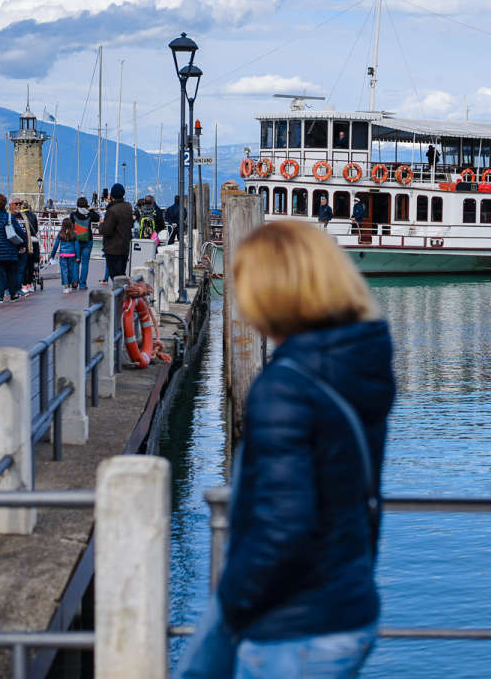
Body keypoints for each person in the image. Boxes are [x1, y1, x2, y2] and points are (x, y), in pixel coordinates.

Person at [176, 221, 394, 679]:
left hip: (293, 627)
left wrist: (233, 604)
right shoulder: (361, 362)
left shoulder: (286, 387)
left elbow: (284, 526)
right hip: (349, 605)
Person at [99, 183, 134, 280]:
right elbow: (130, 224)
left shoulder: (112, 210)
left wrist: (101, 224)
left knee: (115, 277)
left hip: (113, 248)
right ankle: (122, 293)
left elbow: (107, 230)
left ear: (112, 194)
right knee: (121, 275)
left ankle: (119, 294)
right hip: (125, 246)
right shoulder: (128, 207)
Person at [69, 197, 99, 290]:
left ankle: (74, 282)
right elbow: (97, 218)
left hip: (76, 241)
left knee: (75, 262)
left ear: (77, 205)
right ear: (86, 205)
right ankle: (83, 284)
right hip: (87, 241)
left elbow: (70, 226)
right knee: (85, 263)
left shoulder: (73, 215)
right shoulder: (90, 214)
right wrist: (91, 209)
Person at [49, 218, 80, 293]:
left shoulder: (60, 233)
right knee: (70, 271)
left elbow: (56, 245)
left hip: (63, 254)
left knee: (64, 271)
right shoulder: (74, 233)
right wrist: (78, 256)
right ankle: (69, 285)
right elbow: (77, 246)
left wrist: (52, 254)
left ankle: (65, 286)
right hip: (72, 255)